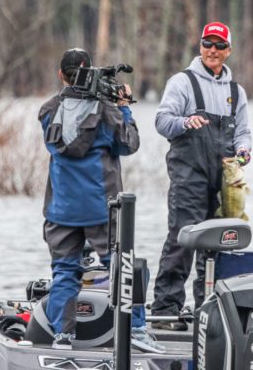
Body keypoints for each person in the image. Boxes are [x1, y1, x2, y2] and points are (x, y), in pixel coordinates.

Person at [38, 48, 164, 352]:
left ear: (61, 74)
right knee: (123, 267)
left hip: (61, 210)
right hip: (101, 209)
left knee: (65, 272)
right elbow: (129, 143)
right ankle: (136, 329)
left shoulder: (47, 111)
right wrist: (124, 107)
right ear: (91, 73)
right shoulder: (107, 111)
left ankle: (63, 336)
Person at [151, 22, 252, 330]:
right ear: (200, 47)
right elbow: (162, 121)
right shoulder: (182, 82)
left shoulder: (237, 92)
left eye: (219, 45)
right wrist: (185, 122)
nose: (213, 50)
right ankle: (166, 310)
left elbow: (243, 133)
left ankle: (211, 311)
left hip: (224, 182)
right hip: (188, 175)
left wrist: (244, 150)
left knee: (220, 244)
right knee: (183, 240)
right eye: (208, 43)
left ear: (228, 51)